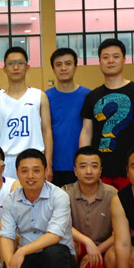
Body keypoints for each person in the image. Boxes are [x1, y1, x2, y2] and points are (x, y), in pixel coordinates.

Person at [0, 148, 76, 268]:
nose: (30, 176)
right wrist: (10, 265)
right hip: (30, 257)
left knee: (53, 253)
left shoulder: (59, 196)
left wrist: (22, 251)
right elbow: (7, 235)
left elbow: (55, 235)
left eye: (36, 170)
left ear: (45, 171)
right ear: (17, 172)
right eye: (24, 171)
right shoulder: (11, 199)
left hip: (59, 256)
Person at [79, 38, 134, 190]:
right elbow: (86, 131)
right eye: (105, 57)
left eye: (115, 56)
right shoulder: (92, 96)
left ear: (124, 59)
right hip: (100, 170)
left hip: (131, 168)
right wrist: (85, 163)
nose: (110, 61)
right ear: (99, 61)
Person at [0, 47, 53, 180]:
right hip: (7, 161)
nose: (16, 67)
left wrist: (48, 164)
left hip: (35, 158)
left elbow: (47, 131)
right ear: (4, 68)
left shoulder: (39, 96)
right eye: (11, 63)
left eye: (20, 63)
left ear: (27, 67)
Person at [62, 146, 116, 268]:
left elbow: (122, 232)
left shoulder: (113, 194)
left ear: (101, 170)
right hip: (76, 246)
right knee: (65, 243)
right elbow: (60, 226)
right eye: (83, 166)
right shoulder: (64, 193)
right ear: (75, 171)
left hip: (101, 248)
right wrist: (86, 242)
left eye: (94, 166)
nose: (89, 171)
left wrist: (97, 249)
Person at [46, 47, 91, 187]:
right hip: (53, 167)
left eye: (68, 63)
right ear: (53, 68)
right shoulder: (45, 97)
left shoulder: (88, 96)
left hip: (81, 166)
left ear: (75, 66)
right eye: (58, 64)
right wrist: (47, 164)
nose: (63, 68)